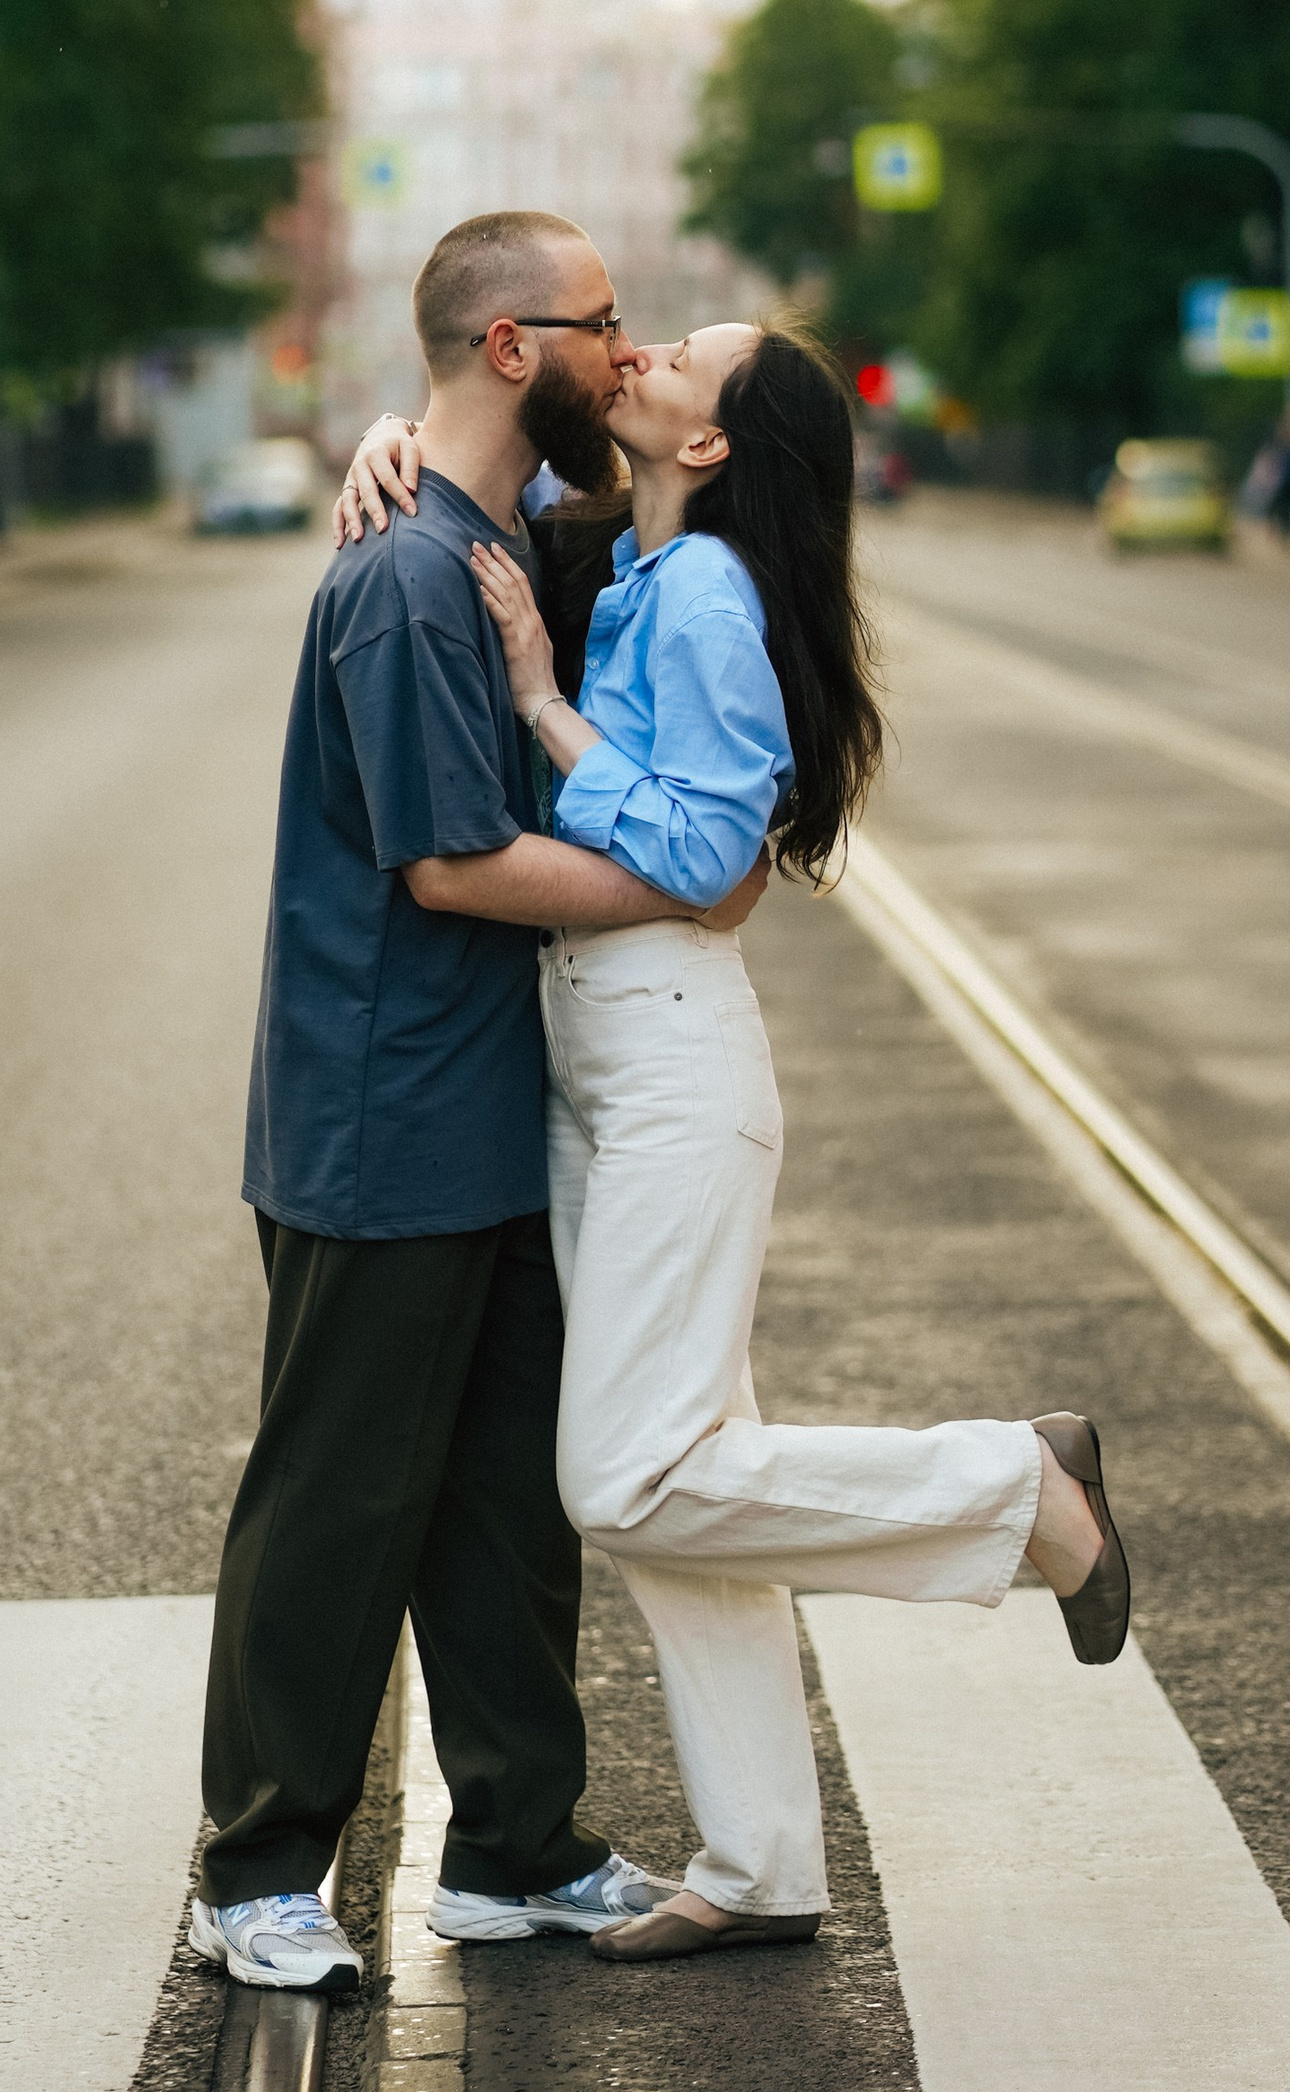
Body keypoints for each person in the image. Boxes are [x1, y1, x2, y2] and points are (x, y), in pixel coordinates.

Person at [335, 322, 1129, 1965]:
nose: (636, 352)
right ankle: (761, 1859)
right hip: (597, 1045)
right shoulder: (635, 564)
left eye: (679, 359)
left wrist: (543, 706)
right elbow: (488, 446)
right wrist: (384, 437)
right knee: (695, 1462)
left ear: (709, 444)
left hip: (667, 1048)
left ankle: (1019, 1486)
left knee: (628, 1477)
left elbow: (705, 855)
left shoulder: (700, 594)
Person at [191, 211, 772, 1996]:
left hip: (493, 1108)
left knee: (507, 1500)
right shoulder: (407, 581)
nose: (629, 347)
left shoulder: (513, 535)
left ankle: (518, 1846)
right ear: (515, 347)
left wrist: (397, 431)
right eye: (604, 322)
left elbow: (708, 516)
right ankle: (259, 1868)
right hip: (382, 1117)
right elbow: (450, 865)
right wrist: (686, 887)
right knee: (339, 1494)